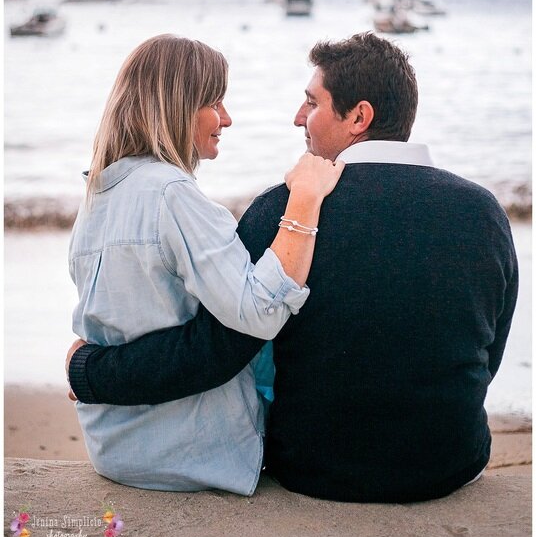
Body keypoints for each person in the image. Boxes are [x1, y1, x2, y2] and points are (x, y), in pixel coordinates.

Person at [68, 32, 518, 503]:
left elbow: (215, 351)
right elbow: (490, 349)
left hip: (315, 468)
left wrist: (88, 371)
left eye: (311, 103)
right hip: (452, 461)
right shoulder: (483, 211)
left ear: (359, 117)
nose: (298, 118)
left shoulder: (281, 212)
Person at [68, 34, 344, 494]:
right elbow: (259, 312)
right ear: (177, 106)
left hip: (114, 450)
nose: (227, 119)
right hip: (192, 451)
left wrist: (86, 370)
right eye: (215, 102)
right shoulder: (172, 195)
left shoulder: (97, 194)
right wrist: (305, 200)